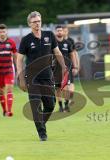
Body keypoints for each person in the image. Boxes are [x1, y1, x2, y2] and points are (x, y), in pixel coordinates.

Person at [16, 11, 66, 141]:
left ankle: (41, 123)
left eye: (38, 21)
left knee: (50, 105)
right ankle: (42, 133)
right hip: (32, 79)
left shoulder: (49, 35)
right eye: (34, 22)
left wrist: (64, 67)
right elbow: (19, 60)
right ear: (29, 24)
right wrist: (21, 78)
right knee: (36, 106)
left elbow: (57, 52)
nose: (37, 24)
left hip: (48, 77)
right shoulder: (26, 40)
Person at [0, 24, 17, 117]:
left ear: (6, 32)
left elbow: (15, 56)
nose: (2, 33)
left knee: (9, 89)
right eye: (0, 32)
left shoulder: (11, 43)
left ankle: (9, 111)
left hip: (9, 70)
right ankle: (4, 110)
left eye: (4, 31)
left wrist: (17, 67)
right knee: (1, 91)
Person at [53, 25, 77, 112]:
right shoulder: (53, 43)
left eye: (61, 30)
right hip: (56, 69)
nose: (59, 32)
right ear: (55, 32)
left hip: (66, 69)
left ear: (63, 32)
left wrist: (74, 67)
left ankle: (66, 105)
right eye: (57, 30)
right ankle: (60, 106)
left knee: (66, 87)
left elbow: (72, 55)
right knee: (58, 88)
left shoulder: (68, 43)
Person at [62, 26, 79, 104]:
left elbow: (74, 53)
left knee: (70, 82)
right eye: (63, 31)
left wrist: (76, 65)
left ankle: (70, 99)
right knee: (64, 84)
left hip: (69, 65)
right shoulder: (57, 41)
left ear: (67, 31)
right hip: (60, 66)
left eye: (65, 31)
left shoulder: (70, 41)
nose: (64, 32)